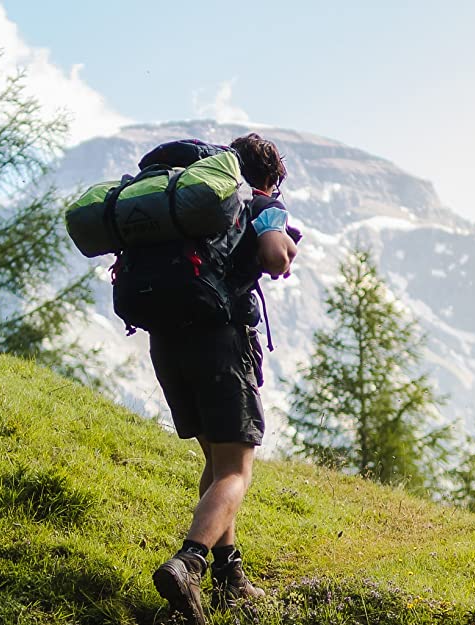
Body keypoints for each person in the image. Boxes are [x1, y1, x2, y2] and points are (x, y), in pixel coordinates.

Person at [150, 133, 298, 624]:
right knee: (237, 471)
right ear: (271, 178)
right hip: (218, 342)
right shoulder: (257, 203)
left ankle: (229, 577)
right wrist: (281, 244)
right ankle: (189, 562)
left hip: (167, 342)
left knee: (216, 462)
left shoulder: (187, 204)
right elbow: (276, 258)